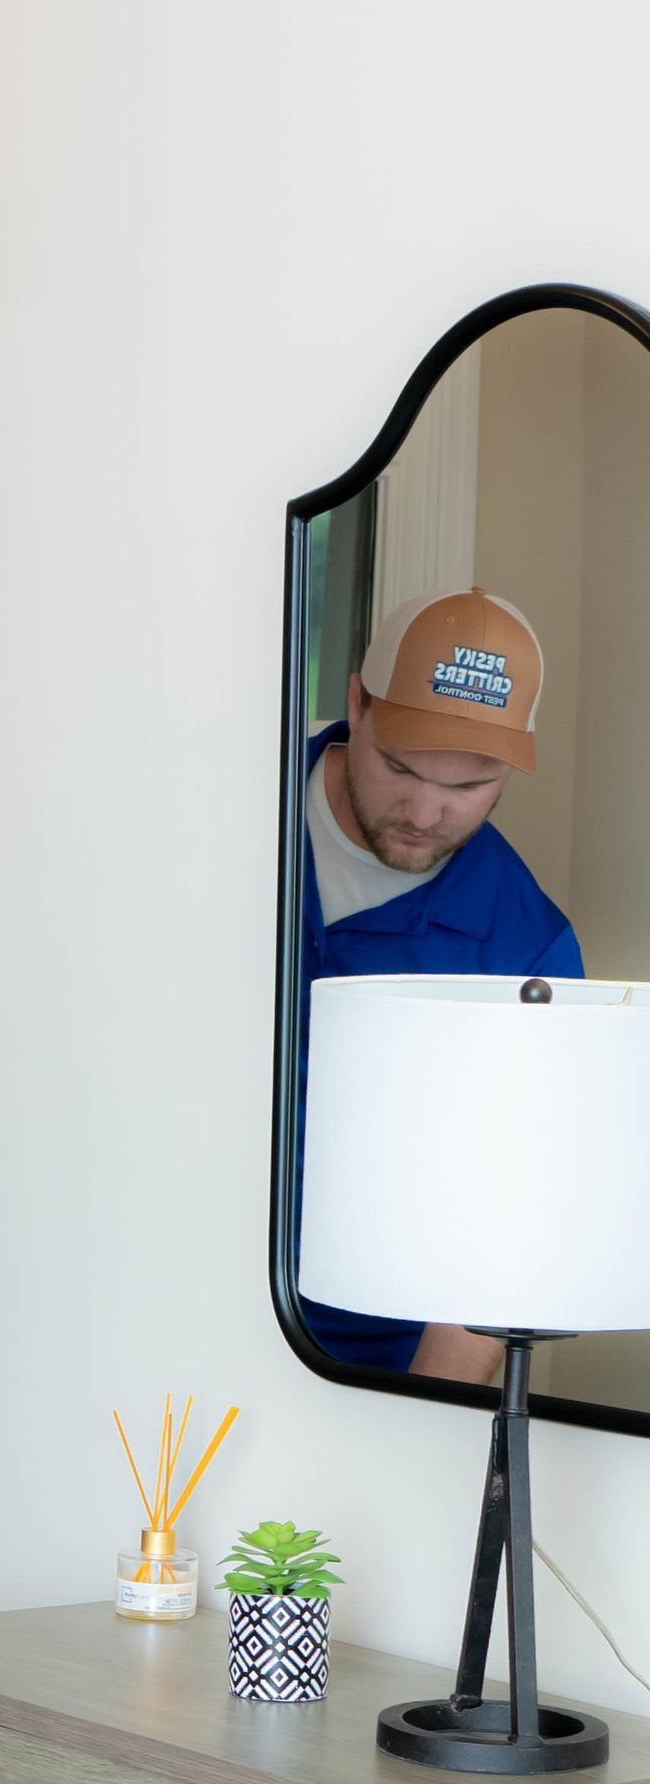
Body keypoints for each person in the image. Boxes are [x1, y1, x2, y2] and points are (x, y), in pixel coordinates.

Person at [300, 585, 581, 1383]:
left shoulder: (528, 952)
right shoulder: (208, 809)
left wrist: (412, 1415)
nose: (425, 812)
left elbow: (510, 1229)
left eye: (470, 787)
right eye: (399, 768)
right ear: (357, 703)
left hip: (359, 1364)